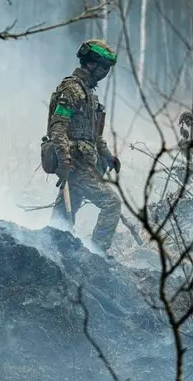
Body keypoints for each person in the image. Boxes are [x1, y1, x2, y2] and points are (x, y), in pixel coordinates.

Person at [46, 39, 122, 254]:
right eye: (104, 67)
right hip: (76, 165)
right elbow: (58, 127)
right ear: (91, 64)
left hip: (83, 163)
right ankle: (97, 256)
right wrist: (64, 161)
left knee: (61, 220)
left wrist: (107, 156)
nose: (105, 72)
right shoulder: (72, 89)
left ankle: (53, 251)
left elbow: (93, 135)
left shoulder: (87, 93)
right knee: (111, 204)